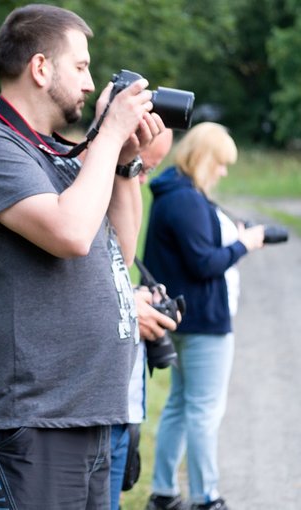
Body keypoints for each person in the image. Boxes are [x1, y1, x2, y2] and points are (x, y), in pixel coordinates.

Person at [0, 4, 165, 508]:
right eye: (82, 67)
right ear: (41, 68)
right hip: (27, 422)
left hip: (86, 413)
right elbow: (69, 233)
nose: (90, 85)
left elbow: (117, 255)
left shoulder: (56, 154)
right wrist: (107, 135)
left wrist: (125, 162)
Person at [143, 122, 265, 510]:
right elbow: (203, 263)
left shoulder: (176, 193)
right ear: (204, 157)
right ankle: (206, 498)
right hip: (203, 324)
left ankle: (164, 492)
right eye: (221, 163)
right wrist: (244, 244)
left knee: (181, 404)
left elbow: (195, 251)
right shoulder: (186, 199)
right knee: (203, 411)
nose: (223, 171)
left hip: (185, 319)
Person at [110, 129, 178, 510]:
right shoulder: (86, 192)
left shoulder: (123, 189)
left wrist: (136, 298)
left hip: (125, 401)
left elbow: (118, 261)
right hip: (94, 408)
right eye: (141, 167)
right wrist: (122, 307)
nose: (143, 181)